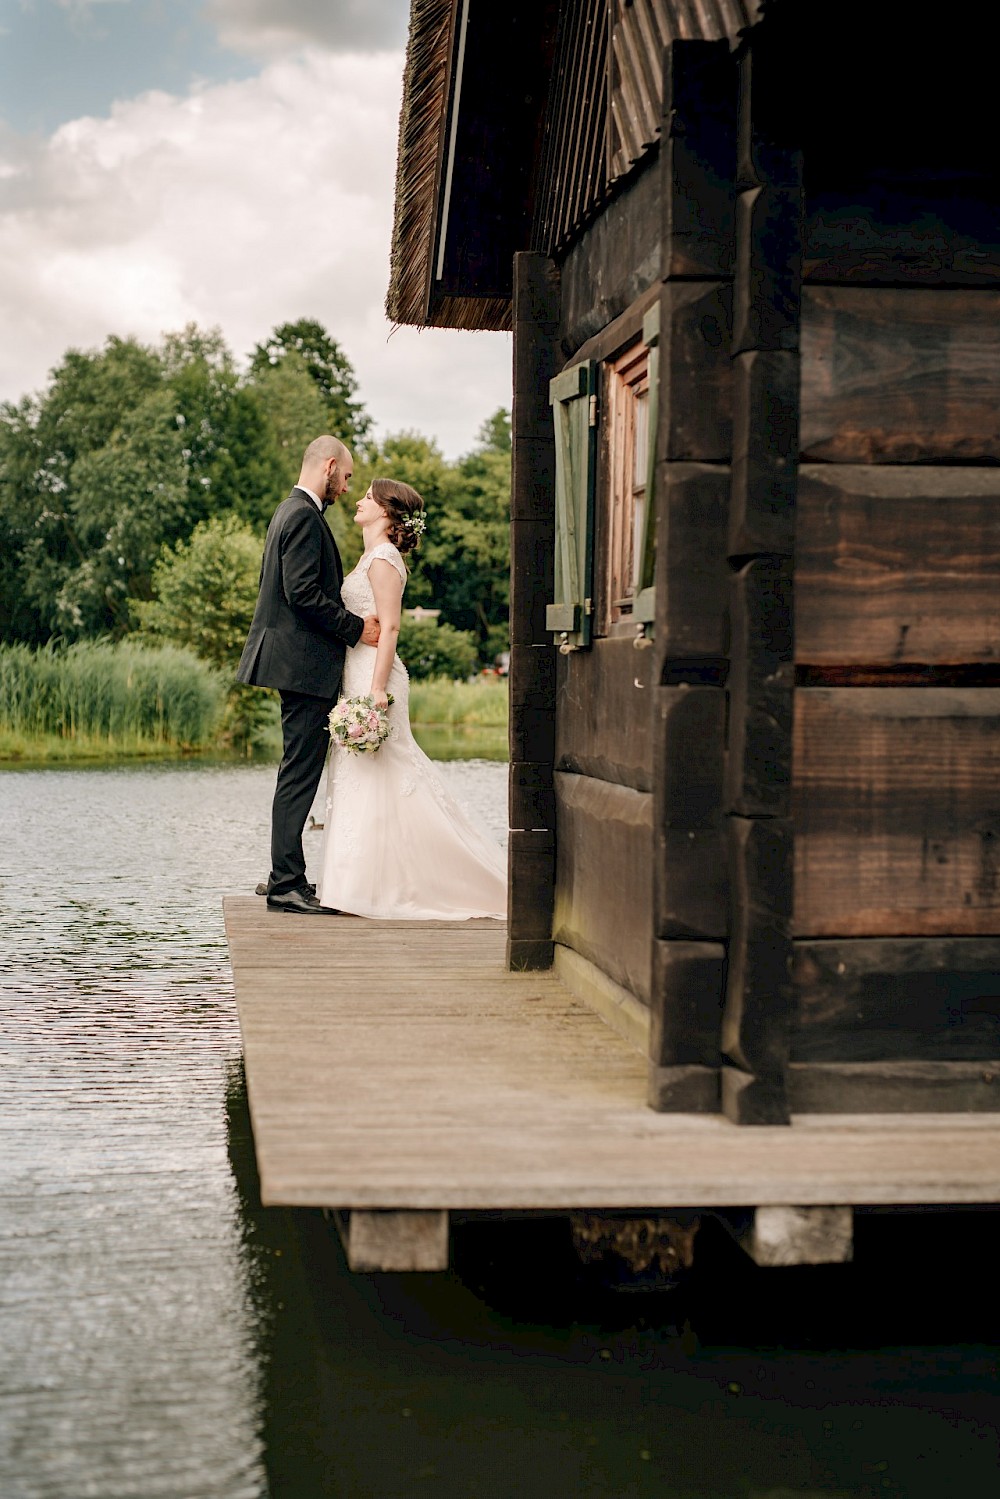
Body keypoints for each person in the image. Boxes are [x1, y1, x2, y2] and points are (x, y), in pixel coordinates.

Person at [316, 477, 507, 920]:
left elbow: (391, 627)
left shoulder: (383, 559)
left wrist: (377, 689)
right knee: (364, 779)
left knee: (386, 775)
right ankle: (355, 886)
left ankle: (388, 886)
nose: (359, 501)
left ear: (386, 511)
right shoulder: (371, 555)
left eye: (367, 497)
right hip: (357, 672)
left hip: (374, 678)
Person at [236, 435, 379, 915]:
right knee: (299, 774)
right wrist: (357, 629)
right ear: (330, 467)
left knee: (294, 771)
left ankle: (284, 876)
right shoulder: (301, 515)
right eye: (348, 478)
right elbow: (301, 594)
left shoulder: (288, 511)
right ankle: (285, 886)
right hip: (301, 667)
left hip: (297, 664)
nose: (347, 487)